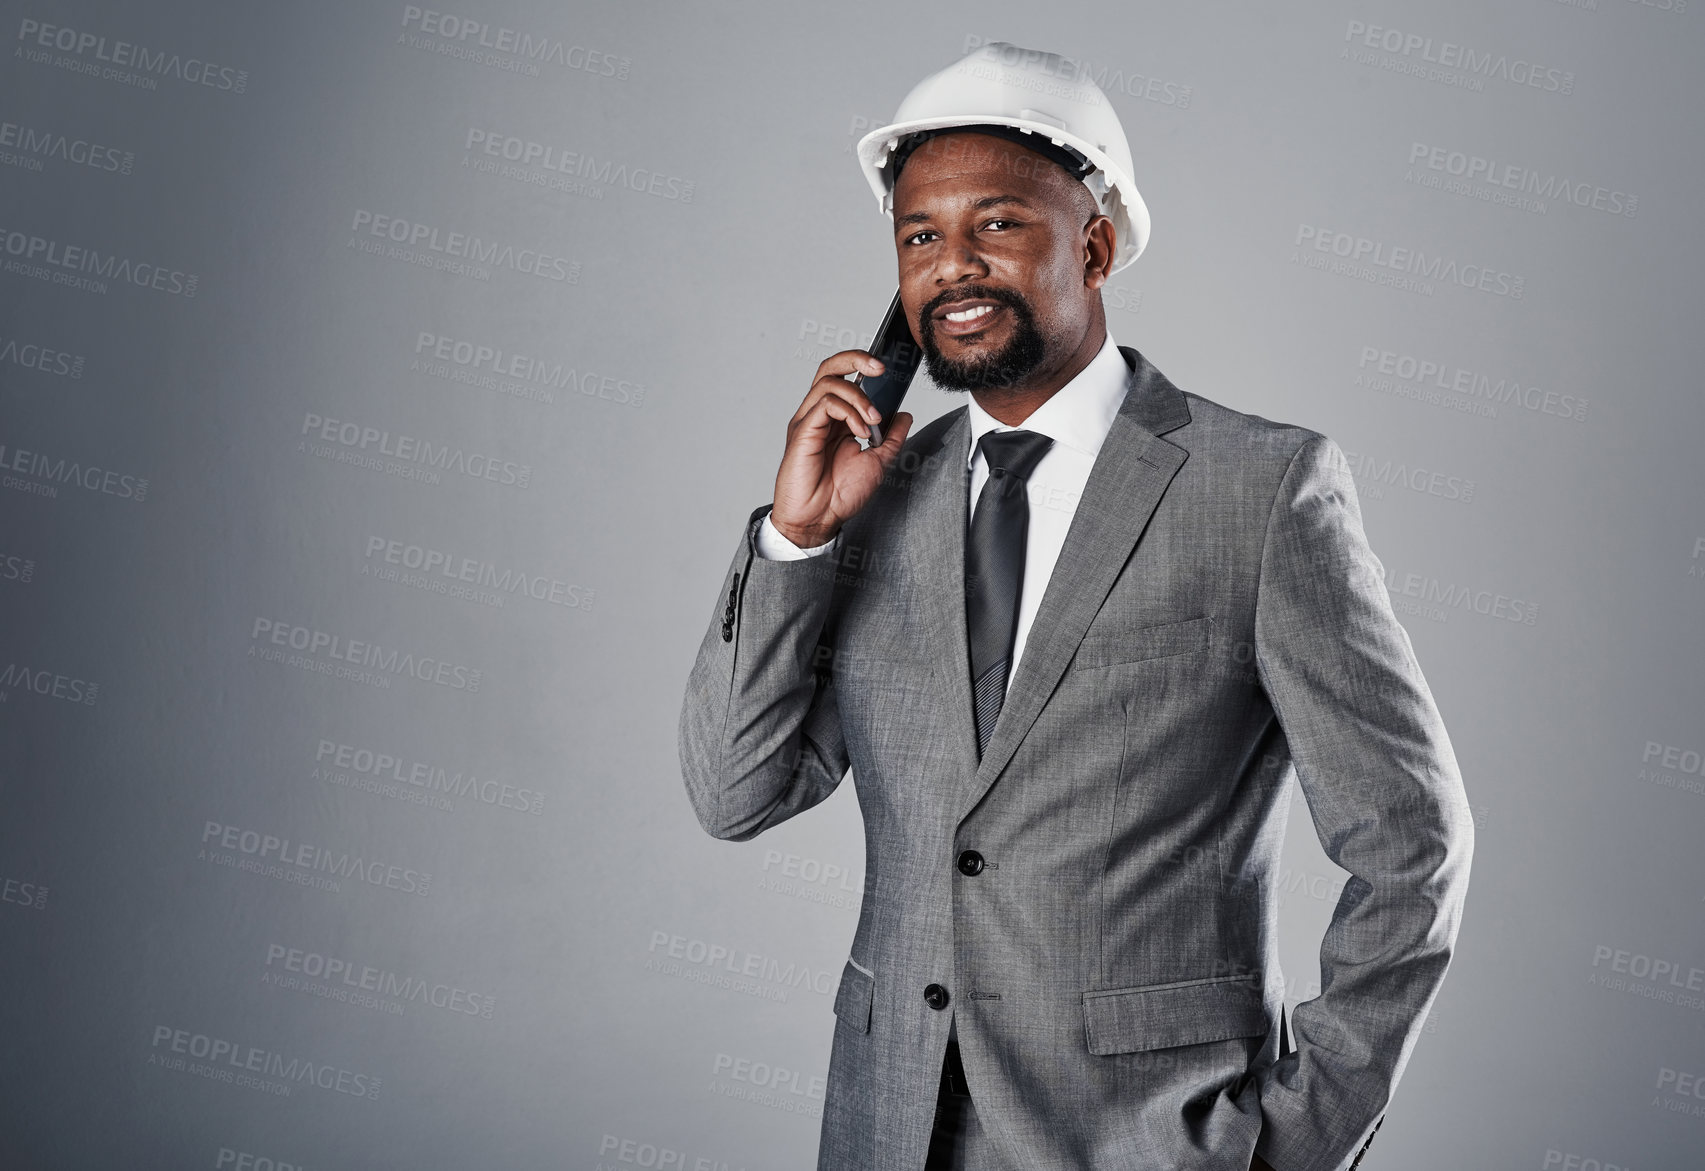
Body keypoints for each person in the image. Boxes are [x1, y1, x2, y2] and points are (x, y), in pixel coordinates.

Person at [678, 40, 1473, 1171]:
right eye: (918, 237)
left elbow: (1414, 845)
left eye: (996, 224)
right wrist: (796, 537)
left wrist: (1291, 1144)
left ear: (1094, 245)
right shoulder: (876, 504)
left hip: (1152, 1139)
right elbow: (732, 790)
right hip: (890, 1126)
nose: (951, 266)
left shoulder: (1260, 490)